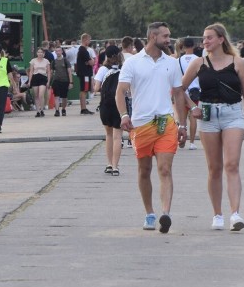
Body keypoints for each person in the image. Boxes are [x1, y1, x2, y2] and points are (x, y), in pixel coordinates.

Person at [180, 23, 244, 231]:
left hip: (233, 114)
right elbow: (179, 89)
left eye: (209, 38)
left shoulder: (238, 63)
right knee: (214, 168)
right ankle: (217, 214)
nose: (205, 42)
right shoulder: (199, 63)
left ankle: (235, 214)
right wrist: (192, 108)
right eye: (204, 38)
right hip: (208, 116)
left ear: (220, 39)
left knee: (232, 164)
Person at [115, 22, 187, 234]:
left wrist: (182, 124)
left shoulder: (172, 63)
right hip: (141, 124)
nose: (169, 40)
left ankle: (166, 213)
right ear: (153, 37)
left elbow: (179, 93)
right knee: (144, 170)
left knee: (165, 169)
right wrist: (124, 115)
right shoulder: (133, 63)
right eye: (165, 36)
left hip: (165, 122)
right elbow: (120, 92)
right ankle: (149, 213)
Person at [94, 45, 125, 176]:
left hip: (106, 105)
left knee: (109, 135)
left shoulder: (103, 69)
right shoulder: (124, 69)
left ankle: (109, 164)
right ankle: (116, 166)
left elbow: (96, 88)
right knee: (118, 136)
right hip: (120, 105)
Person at [177, 37, 201, 150]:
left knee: (182, 117)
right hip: (195, 91)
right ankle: (192, 142)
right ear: (194, 46)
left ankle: (182, 139)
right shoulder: (198, 59)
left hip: (182, 91)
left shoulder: (179, 60)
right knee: (193, 118)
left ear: (184, 46)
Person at [75, 33, 95, 114]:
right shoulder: (83, 50)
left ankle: (83, 108)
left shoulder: (82, 50)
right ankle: (83, 109)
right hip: (85, 74)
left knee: (84, 90)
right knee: (84, 90)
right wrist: (90, 62)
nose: (89, 41)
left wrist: (90, 62)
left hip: (84, 73)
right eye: (89, 40)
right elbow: (92, 62)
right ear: (85, 40)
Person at [28, 47, 52, 117]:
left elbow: (48, 72)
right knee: (36, 95)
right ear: (36, 53)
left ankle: (42, 109)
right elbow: (31, 71)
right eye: (39, 52)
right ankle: (38, 111)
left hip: (43, 77)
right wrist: (29, 81)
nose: (40, 54)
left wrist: (48, 81)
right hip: (35, 77)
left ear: (43, 53)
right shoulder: (33, 61)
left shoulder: (46, 61)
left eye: (41, 52)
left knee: (41, 94)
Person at [50, 45, 73, 116]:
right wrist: (49, 82)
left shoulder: (66, 61)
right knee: (56, 96)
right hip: (56, 80)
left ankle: (63, 109)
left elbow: (69, 72)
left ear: (62, 51)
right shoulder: (54, 62)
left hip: (65, 80)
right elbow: (51, 72)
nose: (58, 52)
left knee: (64, 97)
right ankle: (57, 110)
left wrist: (71, 82)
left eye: (59, 51)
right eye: (56, 51)